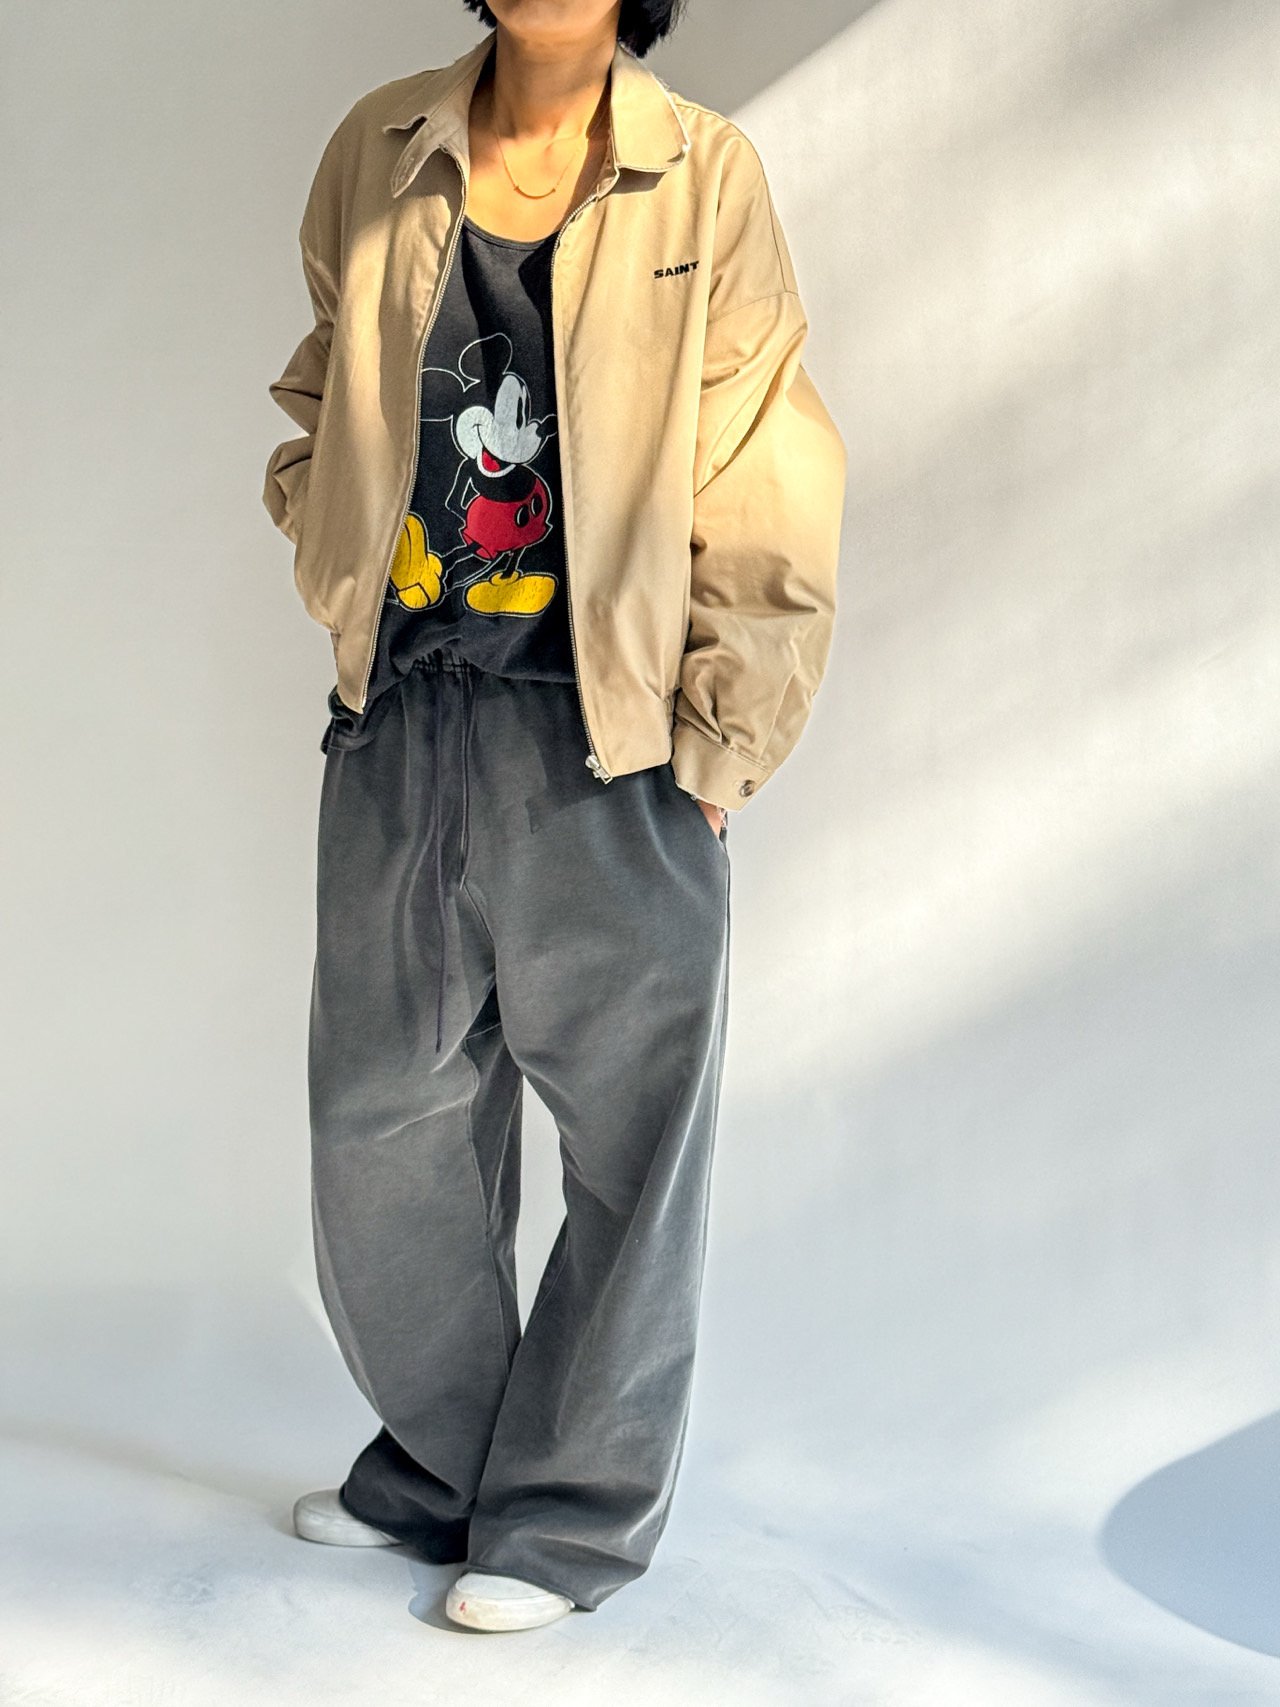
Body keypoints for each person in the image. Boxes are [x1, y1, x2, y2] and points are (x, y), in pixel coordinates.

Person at [262, 0, 847, 1633]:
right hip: (402, 711)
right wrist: (321, 525)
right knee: (377, 1121)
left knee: (633, 1149)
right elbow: (323, 382)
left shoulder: (705, 175)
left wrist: (722, 738)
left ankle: (568, 1520)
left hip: (611, 738)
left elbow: (763, 459)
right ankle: (451, 1470)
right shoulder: (382, 148)